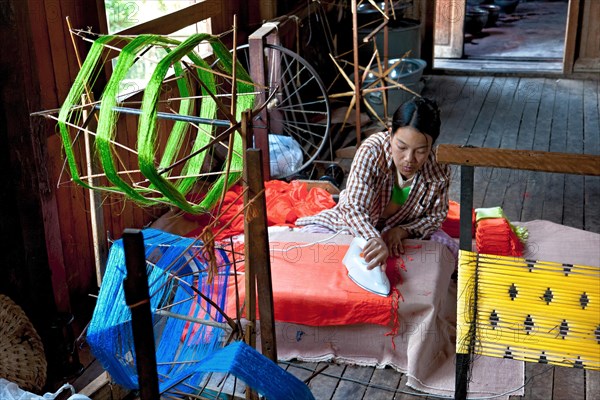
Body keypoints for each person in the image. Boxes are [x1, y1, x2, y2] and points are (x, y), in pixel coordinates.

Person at [296, 97, 453, 270]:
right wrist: (373, 238)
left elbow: (435, 216)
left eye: (421, 151)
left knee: (450, 250)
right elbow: (353, 209)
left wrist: (403, 231)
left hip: (402, 230)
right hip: (356, 226)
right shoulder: (372, 151)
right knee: (312, 247)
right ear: (390, 133)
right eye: (401, 147)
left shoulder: (438, 166)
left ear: (431, 146)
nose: (409, 159)